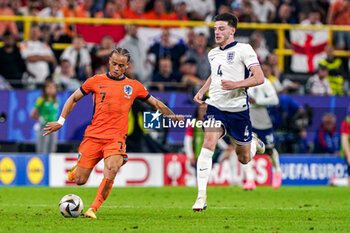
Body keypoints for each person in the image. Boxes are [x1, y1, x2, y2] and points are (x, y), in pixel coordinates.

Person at [43, 47, 183, 219]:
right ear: (109, 61)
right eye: (115, 64)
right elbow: (73, 98)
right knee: (80, 180)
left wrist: (173, 116)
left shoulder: (133, 86)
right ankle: (77, 168)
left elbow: (155, 103)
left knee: (112, 169)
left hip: (115, 139)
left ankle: (92, 209)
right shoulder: (95, 81)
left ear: (127, 66)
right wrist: (60, 121)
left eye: (121, 66)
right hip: (93, 136)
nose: (117, 68)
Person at [191, 13, 265, 211]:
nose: (217, 32)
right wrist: (202, 90)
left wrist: (236, 85)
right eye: (215, 29)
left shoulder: (244, 49)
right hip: (215, 107)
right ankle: (201, 197)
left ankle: (253, 143)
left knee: (244, 158)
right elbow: (215, 75)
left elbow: (259, 77)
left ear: (232, 30)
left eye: (221, 28)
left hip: (238, 110)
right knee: (208, 143)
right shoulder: (213, 53)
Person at [243, 77, 281, 190]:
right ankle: (250, 180)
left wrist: (257, 102)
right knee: (247, 146)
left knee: (270, 149)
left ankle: (277, 171)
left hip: (264, 121)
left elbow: (275, 100)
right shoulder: (240, 80)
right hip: (249, 120)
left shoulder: (264, 82)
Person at [30, 79, 59, 153]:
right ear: (45, 89)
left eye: (53, 87)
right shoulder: (41, 100)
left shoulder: (55, 100)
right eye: (49, 87)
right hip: (44, 126)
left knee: (52, 148)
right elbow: (32, 114)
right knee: (42, 148)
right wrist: (40, 118)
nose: (51, 89)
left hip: (54, 127)